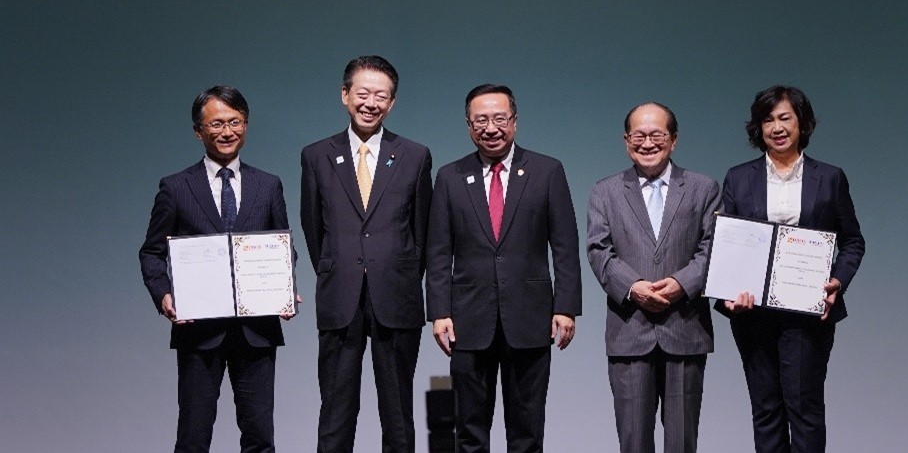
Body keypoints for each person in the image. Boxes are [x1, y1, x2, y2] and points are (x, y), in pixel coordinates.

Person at [426, 83, 583, 453]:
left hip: (530, 317)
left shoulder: (547, 171)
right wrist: (439, 311)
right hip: (468, 320)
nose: (491, 128)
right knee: (469, 429)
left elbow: (565, 245)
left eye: (499, 118)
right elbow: (437, 252)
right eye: (481, 120)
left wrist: (565, 306)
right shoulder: (450, 177)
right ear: (468, 126)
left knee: (527, 431)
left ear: (515, 122)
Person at [139, 85, 294, 453]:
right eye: (217, 124)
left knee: (259, 438)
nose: (227, 131)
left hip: (256, 330)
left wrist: (285, 287)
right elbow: (151, 252)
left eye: (235, 122)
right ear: (198, 131)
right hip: (199, 333)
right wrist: (164, 296)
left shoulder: (268, 185)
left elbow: (284, 248)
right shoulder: (176, 187)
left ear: (246, 125)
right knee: (193, 437)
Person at [719, 85, 865, 453]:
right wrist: (727, 295)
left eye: (785, 118)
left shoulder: (830, 177)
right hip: (753, 313)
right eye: (768, 120)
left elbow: (852, 241)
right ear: (758, 128)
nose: (777, 127)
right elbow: (726, 245)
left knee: (805, 409)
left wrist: (838, 282)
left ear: (802, 124)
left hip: (808, 312)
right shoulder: (738, 178)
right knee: (765, 410)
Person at [300, 55, 433, 453]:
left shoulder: (414, 155)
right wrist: (336, 270)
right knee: (336, 412)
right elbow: (313, 228)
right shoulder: (316, 155)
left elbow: (422, 231)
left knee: (398, 414)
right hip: (340, 296)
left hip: (396, 296)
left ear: (391, 103)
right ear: (345, 95)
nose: (370, 102)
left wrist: (402, 274)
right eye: (362, 93)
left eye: (381, 95)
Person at [586, 102, 720, 453]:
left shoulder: (704, 188)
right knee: (633, 443)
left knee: (682, 443)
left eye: (657, 135)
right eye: (638, 135)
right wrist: (632, 287)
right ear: (626, 140)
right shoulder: (606, 191)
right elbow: (599, 250)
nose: (647, 143)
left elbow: (713, 248)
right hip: (629, 330)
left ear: (674, 140)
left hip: (685, 328)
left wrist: (683, 284)